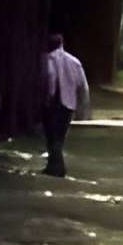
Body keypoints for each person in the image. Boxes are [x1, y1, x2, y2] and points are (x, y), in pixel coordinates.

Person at [42, 32, 89, 177]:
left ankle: (57, 167)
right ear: (62, 44)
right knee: (60, 136)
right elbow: (83, 86)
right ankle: (53, 166)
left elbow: (50, 79)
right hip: (68, 104)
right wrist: (83, 107)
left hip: (52, 103)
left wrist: (46, 98)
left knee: (51, 136)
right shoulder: (74, 62)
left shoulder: (45, 60)